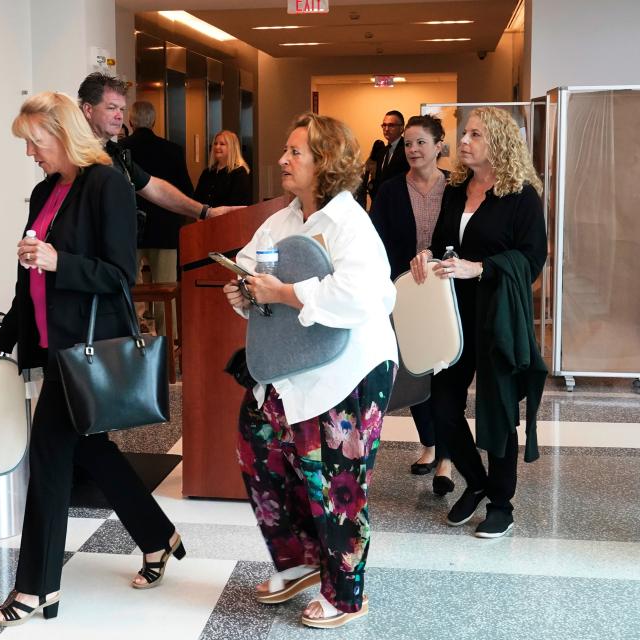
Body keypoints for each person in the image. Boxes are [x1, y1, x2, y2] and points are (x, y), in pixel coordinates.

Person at [0, 92, 184, 627]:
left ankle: (34, 590)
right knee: (92, 451)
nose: (30, 153)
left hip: (87, 348)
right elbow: (31, 283)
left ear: (63, 133)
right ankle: (159, 536)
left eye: (35, 141)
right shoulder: (45, 190)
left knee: (49, 461)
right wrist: (1, 340)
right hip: (54, 346)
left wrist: (58, 260)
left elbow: (118, 274)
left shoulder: (107, 183)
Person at [223, 113, 397, 628]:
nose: (282, 159)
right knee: (259, 449)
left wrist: (285, 293)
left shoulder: (349, 223)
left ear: (325, 162)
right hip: (290, 367)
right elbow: (250, 269)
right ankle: (299, 560)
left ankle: (346, 594)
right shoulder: (280, 221)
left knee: (335, 481)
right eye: (285, 150)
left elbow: (369, 294)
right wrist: (244, 293)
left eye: (295, 152)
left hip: (351, 369)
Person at [409, 107, 547, 539]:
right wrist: (427, 256)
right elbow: (443, 243)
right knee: (443, 405)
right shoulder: (455, 190)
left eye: (475, 134)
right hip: (454, 314)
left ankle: (501, 504)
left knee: (498, 409)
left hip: (498, 314)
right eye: (463, 133)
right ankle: (479, 482)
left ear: (500, 143)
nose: (463, 141)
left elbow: (531, 258)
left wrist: (480, 268)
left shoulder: (521, 195)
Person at [369, 115, 454, 496]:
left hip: (446, 290)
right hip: (403, 292)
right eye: (407, 144)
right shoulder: (388, 191)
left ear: (439, 145)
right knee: (416, 368)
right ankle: (430, 445)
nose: (413, 150)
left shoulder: (456, 187)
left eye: (420, 142)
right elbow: (377, 241)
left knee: (446, 372)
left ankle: (447, 458)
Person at [77, 72, 240, 221]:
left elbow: (155, 189)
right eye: (112, 108)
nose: (119, 116)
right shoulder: (73, 155)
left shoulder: (117, 154)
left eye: (122, 109)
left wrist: (206, 212)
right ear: (88, 110)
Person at [119, 100, 194, 336]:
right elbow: (186, 191)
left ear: (131, 121)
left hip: (128, 230)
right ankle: (167, 343)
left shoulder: (120, 148)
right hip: (165, 230)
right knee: (166, 292)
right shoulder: (172, 150)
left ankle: (131, 339)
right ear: (154, 121)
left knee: (128, 289)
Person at [195, 130, 252, 207]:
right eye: (215, 143)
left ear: (231, 148)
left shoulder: (239, 173)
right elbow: (197, 198)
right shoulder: (207, 172)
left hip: (228, 218)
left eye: (222, 144)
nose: (217, 147)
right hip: (205, 218)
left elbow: (238, 204)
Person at [370, 110, 409, 200]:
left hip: (399, 202)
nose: (386, 129)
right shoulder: (382, 152)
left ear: (401, 128)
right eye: (384, 125)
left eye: (391, 125)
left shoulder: (408, 149)